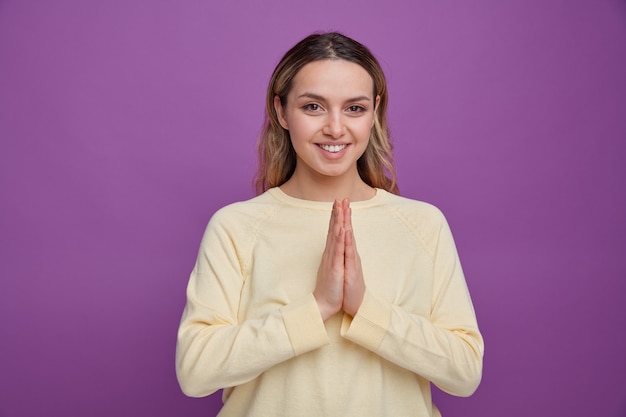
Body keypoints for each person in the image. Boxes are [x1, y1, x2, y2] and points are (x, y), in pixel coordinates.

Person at [176, 31, 484, 417]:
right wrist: (318, 306)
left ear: (375, 111)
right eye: (313, 107)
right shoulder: (236, 226)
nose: (336, 128)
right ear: (281, 112)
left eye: (354, 108)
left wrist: (364, 309)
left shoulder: (423, 224)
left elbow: (465, 372)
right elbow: (195, 371)